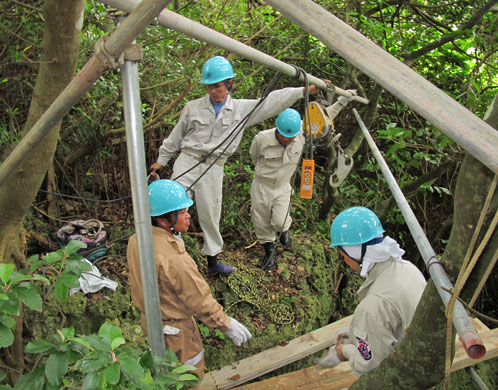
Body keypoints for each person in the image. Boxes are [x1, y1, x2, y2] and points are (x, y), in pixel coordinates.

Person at [149, 55, 318, 275]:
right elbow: (176, 136)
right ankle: (172, 256)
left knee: (211, 212)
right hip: (188, 160)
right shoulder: (192, 108)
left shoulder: (241, 110)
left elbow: (271, 102)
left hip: (214, 166)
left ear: (229, 84)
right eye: (209, 87)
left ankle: (212, 262)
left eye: (217, 86)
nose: (212, 91)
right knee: (174, 206)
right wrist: (161, 161)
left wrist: (302, 91)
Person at [127, 179, 252, 388]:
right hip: (177, 332)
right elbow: (197, 297)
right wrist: (225, 323)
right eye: (182, 212)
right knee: (187, 377)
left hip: (151, 324)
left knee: (162, 375)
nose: (188, 216)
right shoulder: (174, 258)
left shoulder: (137, 239)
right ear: (165, 220)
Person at [318, 206, 426, 375]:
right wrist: (355, 334)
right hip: (421, 350)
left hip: (406, 373)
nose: (345, 260)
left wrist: (344, 351)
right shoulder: (408, 268)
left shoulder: (373, 307)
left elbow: (369, 366)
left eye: (343, 254)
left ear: (351, 254)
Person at [250, 96, 352, 270]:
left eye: (290, 137)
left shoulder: (302, 133)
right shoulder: (262, 139)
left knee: (280, 222)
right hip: (262, 185)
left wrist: (341, 102)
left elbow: (323, 119)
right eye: (284, 136)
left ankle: (283, 230)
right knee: (261, 220)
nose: (287, 140)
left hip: (282, 187)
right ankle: (269, 249)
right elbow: (254, 156)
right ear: (277, 129)